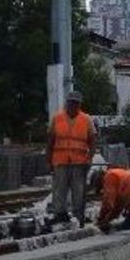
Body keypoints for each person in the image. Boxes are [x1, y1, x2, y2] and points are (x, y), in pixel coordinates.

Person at [47, 90, 95, 226]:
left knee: (78, 192)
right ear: (66, 103)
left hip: (79, 163)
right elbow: (50, 141)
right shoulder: (57, 118)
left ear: (79, 105)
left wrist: (89, 158)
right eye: (71, 103)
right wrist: (48, 160)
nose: (73, 106)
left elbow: (92, 141)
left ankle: (78, 216)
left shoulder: (86, 119)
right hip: (60, 161)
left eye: (76, 103)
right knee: (59, 190)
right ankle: (59, 214)